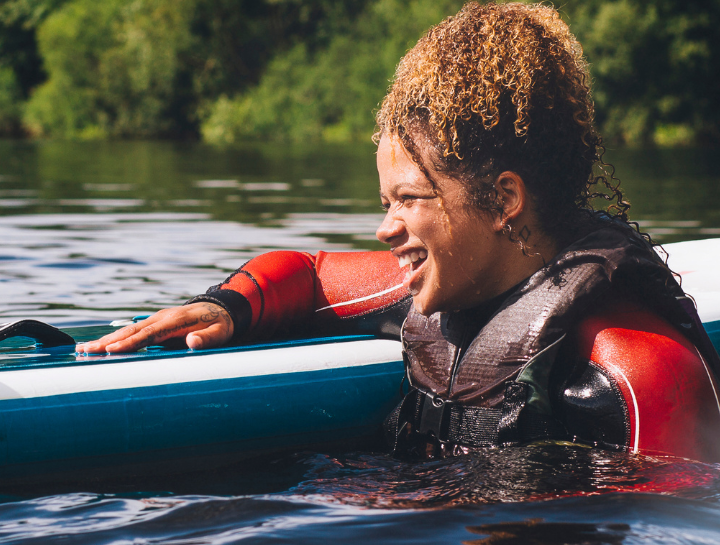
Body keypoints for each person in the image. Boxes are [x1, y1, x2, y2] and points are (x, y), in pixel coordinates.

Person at [78, 2, 720, 461]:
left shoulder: (641, 371)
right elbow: (308, 271)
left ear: (503, 201)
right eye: (386, 202)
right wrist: (222, 307)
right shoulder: (445, 287)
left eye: (409, 200)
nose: (386, 229)